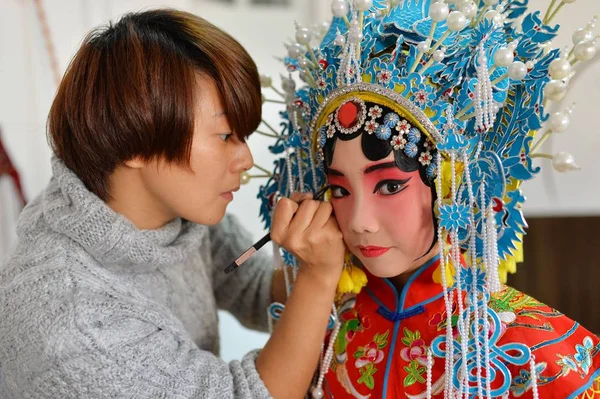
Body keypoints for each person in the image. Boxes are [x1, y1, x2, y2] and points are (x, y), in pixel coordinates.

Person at [257, 1, 600, 398]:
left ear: (453, 184)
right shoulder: (322, 338)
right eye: (339, 190)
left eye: (389, 186)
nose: (359, 221)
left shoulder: (536, 350)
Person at [0, 9, 346, 399]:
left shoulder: (172, 212)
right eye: (226, 135)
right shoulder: (74, 322)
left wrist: (320, 254)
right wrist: (317, 278)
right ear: (135, 140)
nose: (246, 159)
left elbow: (249, 284)